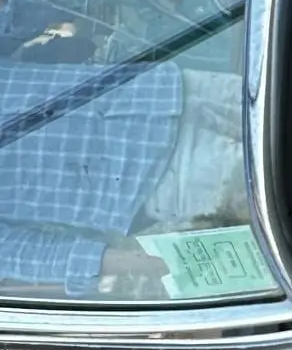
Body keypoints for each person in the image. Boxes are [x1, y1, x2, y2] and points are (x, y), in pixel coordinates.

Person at [0, 58, 248, 299]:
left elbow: (22, 22)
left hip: (162, 90)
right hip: (162, 178)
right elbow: (21, 253)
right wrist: (142, 263)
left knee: (285, 107)